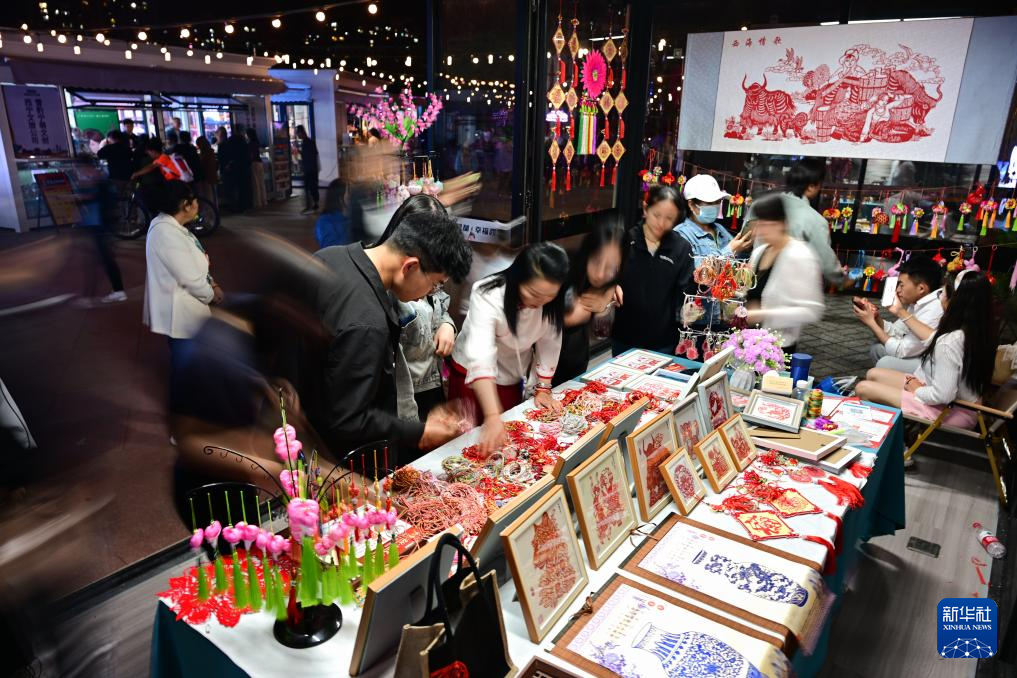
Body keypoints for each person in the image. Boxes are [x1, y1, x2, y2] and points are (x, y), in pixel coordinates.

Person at [312, 206, 472, 458]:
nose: (429, 294)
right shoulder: (368, 324)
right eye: (434, 285)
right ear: (410, 266)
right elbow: (348, 419)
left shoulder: (331, 256)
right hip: (325, 451)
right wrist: (420, 431)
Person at [450, 242, 568, 455]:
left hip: (510, 374)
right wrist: (492, 415)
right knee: (465, 446)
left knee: (508, 443)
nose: (540, 302)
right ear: (519, 278)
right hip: (472, 377)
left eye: (549, 296)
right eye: (533, 293)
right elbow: (481, 354)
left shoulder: (550, 302)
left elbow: (550, 342)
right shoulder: (488, 293)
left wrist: (543, 388)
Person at [856, 271, 996, 433]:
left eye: (942, 294)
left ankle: (887, 440)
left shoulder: (950, 341)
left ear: (954, 301)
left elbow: (943, 395)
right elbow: (931, 338)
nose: (939, 297)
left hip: (951, 410)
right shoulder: (977, 330)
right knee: (873, 374)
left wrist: (915, 388)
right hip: (957, 402)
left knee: (863, 388)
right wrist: (894, 313)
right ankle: (895, 430)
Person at [142, 180, 224, 378]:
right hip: (180, 314)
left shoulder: (173, 226)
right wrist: (210, 294)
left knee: (190, 364)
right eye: (195, 200)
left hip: (186, 309)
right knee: (186, 367)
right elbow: (190, 279)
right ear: (185, 205)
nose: (198, 204)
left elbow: (193, 263)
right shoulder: (165, 233)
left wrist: (212, 283)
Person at [612, 185, 694, 355]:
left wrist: (688, 310)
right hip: (624, 337)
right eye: (657, 215)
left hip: (663, 341)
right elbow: (606, 277)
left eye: (669, 218)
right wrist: (610, 286)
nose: (661, 223)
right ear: (645, 209)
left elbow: (685, 293)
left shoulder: (681, 248)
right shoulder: (624, 241)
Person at [743, 193, 824, 354]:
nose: (760, 230)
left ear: (782, 224)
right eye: (758, 223)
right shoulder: (759, 252)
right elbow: (751, 291)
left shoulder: (800, 255)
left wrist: (762, 314)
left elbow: (812, 311)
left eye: (767, 224)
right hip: (750, 341)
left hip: (779, 346)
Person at [745, 159, 845, 285]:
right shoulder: (815, 220)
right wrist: (844, 280)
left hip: (755, 281)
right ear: (811, 186)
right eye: (820, 185)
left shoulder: (760, 204)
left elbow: (745, 239)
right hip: (790, 287)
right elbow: (828, 266)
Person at [555, 221, 625, 384]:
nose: (600, 274)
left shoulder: (611, 281)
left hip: (577, 361)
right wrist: (579, 315)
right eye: (596, 262)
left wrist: (609, 290)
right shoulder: (564, 271)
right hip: (543, 366)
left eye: (610, 267)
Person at [853, 256, 944, 373]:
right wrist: (875, 317)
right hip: (918, 354)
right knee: (877, 348)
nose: (897, 290)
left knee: (885, 363)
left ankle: (894, 382)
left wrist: (872, 323)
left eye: (901, 285)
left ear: (921, 288)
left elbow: (900, 350)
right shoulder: (918, 302)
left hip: (933, 366)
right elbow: (898, 332)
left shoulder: (933, 309)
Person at [72, 154, 126, 304]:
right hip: (100, 222)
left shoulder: (95, 177)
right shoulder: (98, 176)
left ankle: (111, 292)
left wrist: (75, 197)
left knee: (102, 259)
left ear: (83, 166)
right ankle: (113, 291)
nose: (77, 169)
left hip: (100, 223)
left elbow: (90, 197)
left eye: (78, 166)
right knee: (101, 258)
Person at [315, 179, 350, 248]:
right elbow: (331, 250)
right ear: (340, 198)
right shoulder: (325, 222)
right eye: (349, 192)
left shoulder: (354, 216)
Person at [296, 125, 320, 213]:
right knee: (312, 187)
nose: (297, 135)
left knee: (309, 187)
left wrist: (301, 153)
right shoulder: (309, 142)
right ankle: (314, 204)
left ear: (301, 132)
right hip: (312, 168)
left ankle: (310, 206)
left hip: (309, 169)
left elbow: (308, 155)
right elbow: (314, 154)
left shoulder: (307, 142)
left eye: (297, 133)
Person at [194, 135, 219, 208]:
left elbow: (205, 165)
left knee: (210, 197)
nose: (197, 146)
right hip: (211, 177)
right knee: (212, 196)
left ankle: (213, 211)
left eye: (198, 144)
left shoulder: (207, 153)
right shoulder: (210, 152)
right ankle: (214, 210)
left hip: (208, 178)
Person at [246, 127, 267, 208]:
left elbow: (251, 155)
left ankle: (258, 202)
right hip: (260, 162)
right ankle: (264, 200)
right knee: (262, 183)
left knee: (256, 184)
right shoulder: (257, 142)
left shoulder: (249, 144)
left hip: (254, 163)